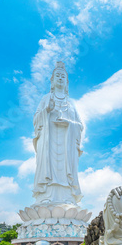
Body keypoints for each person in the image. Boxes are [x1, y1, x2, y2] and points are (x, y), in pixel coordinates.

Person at [32, 61, 83, 205]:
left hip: (67, 142)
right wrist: (46, 111)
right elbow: (36, 120)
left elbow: (80, 125)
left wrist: (69, 124)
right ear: (52, 80)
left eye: (63, 77)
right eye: (57, 76)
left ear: (66, 82)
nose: (60, 78)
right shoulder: (45, 99)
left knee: (66, 170)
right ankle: (46, 196)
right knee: (48, 167)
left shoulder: (70, 102)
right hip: (49, 140)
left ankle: (67, 197)